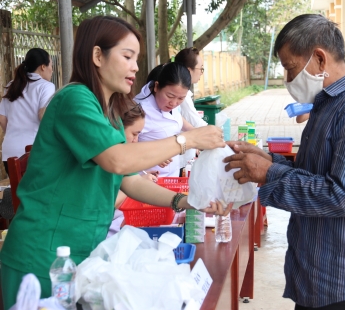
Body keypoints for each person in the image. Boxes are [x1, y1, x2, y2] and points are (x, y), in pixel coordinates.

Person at [0, 16, 229, 309]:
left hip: (83, 254)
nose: (135, 66)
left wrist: (187, 201)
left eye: (136, 59)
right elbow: (116, 161)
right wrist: (189, 140)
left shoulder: (108, 114)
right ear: (98, 55)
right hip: (44, 256)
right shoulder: (74, 100)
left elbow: (129, 179)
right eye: (127, 56)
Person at [224, 14, 345, 310]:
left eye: (291, 68)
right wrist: (268, 160)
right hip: (319, 277)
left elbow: (343, 197)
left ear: (319, 58)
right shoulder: (329, 104)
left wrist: (270, 174)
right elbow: (315, 174)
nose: (288, 79)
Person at [0, 48, 55, 175]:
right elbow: (43, 114)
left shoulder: (11, 85)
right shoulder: (46, 86)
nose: (51, 70)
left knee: (16, 192)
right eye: (51, 66)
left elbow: (2, 118)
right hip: (33, 153)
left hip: (9, 152)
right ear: (42, 67)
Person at [107, 100, 158, 238]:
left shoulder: (121, 155)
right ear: (117, 128)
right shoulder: (105, 159)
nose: (136, 140)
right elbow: (107, 202)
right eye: (134, 134)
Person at [135, 63, 195, 177]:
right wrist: (152, 155)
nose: (174, 103)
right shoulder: (138, 111)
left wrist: (198, 132)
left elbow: (176, 118)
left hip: (171, 176)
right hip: (148, 179)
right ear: (157, 87)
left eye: (181, 98)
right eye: (170, 96)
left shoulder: (169, 105)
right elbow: (124, 149)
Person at [174, 47, 208, 167]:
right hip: (179, 160)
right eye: (201, 69)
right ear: (188, 71)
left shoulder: (184, 94)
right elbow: (197, 124)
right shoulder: (181, 96)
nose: (201, 73)